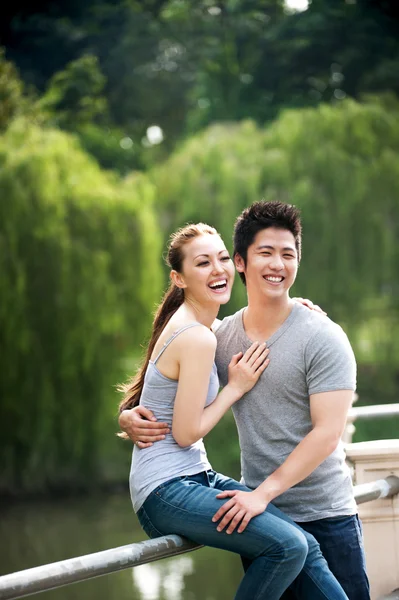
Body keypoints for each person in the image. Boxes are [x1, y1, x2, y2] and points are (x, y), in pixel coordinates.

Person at [120, 202, 370, 600]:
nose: (277, 264)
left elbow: (328, 434)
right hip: (247, 501)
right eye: (265, 253)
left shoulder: (318, 335)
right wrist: (129, 415)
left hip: (323, 511)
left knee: (300, 548)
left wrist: (261, 495)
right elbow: (168, 384)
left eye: (287, 254)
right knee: (290, 546)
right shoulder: (216, 337)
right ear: (243, 262)